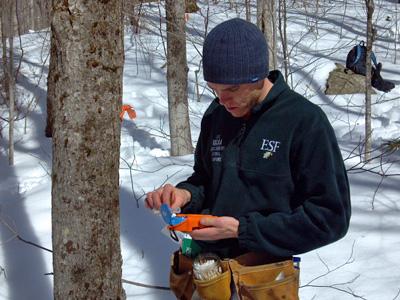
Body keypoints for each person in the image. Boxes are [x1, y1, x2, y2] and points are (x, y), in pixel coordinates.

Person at [146, 18, 351, 299]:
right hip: (206, 275)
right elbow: (206, 180)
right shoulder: (217, 115)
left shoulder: (303, 122)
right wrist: (184, 195)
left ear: (258, 76)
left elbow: (329, 218)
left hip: (261, 279)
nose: (222, 100)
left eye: (231, 89)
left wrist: (242, 230)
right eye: (214, 90)